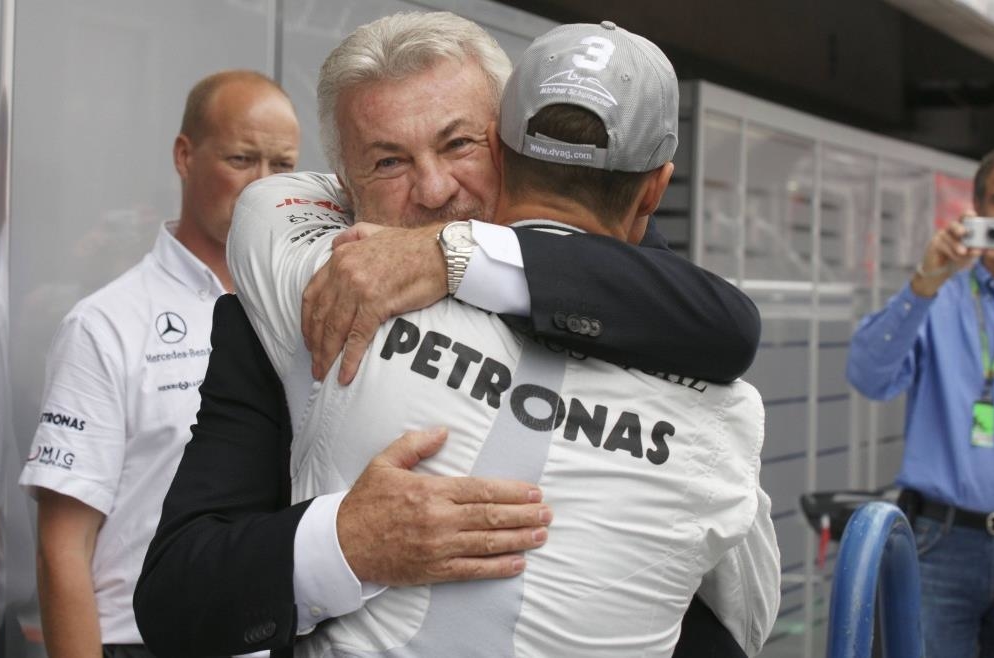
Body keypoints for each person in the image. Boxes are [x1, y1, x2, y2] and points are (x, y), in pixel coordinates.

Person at [135, 12, 773, 657]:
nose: (436, 191)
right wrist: (343, 543)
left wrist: (454, 254)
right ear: (345, 188)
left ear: (510, 146)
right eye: (388, 161)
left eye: (458, 144)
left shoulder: (638, 298)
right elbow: (176, 597)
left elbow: (724, 324)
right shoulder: (308, 298)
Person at [18, 70, 300, 657]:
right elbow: (61, 548)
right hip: (142, 642)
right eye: (242, 159)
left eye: (283, 166)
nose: (262, 187)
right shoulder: (105, 324)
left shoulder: (306, 310)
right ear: (184, 155)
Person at [847, 144, 994, 658]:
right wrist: (925, 281)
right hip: (943, 541)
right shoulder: (939, 296)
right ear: (978, 210)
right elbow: (868, 376)